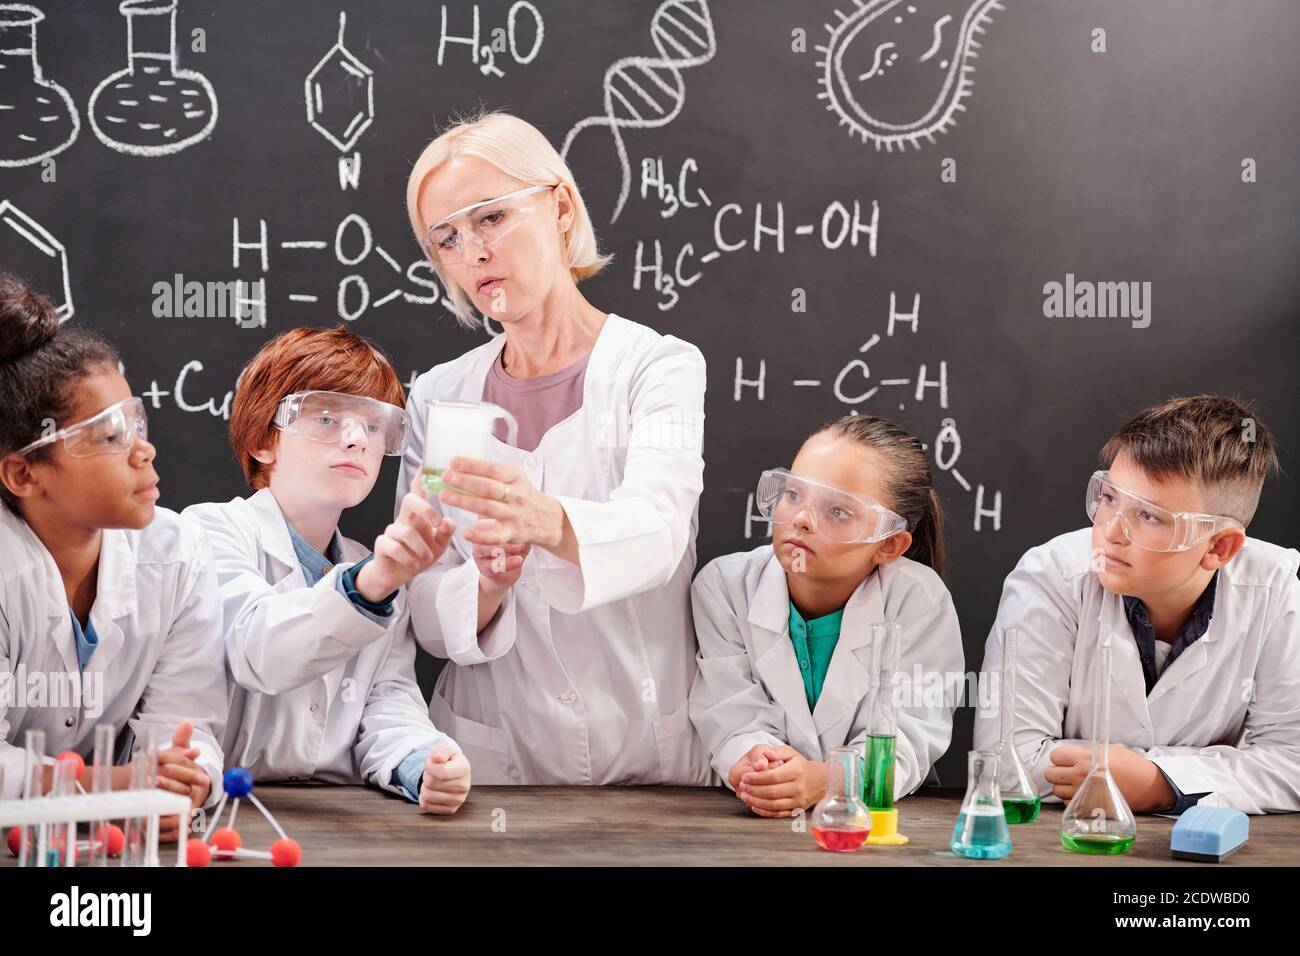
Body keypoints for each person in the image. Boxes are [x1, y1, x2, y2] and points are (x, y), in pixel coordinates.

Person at [399, 110, 712, 784]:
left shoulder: (658, 366)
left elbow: (660, 530)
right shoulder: (438, 397)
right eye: (446, 238)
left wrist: (545, 520)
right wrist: (485, 584)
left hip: (647, 753)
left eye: (490, 218)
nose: (472, 253)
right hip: (490, 757)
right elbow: (420, 594)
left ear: (561, 206)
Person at [184, 326, 470, 814]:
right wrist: (371, 584)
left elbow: (388, 700)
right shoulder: (209, 532)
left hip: (337, 820)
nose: (358, 439)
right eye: (326, 417)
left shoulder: (367, 563)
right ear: (261, 441)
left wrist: (422, 762)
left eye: (375, 425)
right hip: (220, 811)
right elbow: (260, 649)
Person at [974, 395, 1300, 814]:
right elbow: (1007, 762)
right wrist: (1201, 776)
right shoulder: (1051, 575)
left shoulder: (1273, 589)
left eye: (1149, 516)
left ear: (1219, 546)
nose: (1111, 531)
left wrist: (1160, 783)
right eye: (1109, 498)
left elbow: (1292, 762)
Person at [0, 273, 226, 839]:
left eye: (137, 423)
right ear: (24, 473)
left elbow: (186, 725)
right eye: (108, 438)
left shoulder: (176, 554)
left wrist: (185, 778)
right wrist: (120, 787)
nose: (144, 450)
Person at [690, 415, 964, 816]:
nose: (801, 519)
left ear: (888, 544)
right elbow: (729, 710)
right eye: (794, 494)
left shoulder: (918, 599)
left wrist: (829, 779)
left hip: (877, 822)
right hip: (750, 818)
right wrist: (758, 763)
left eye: (837, 510)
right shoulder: (725, 586)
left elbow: (909, 735)